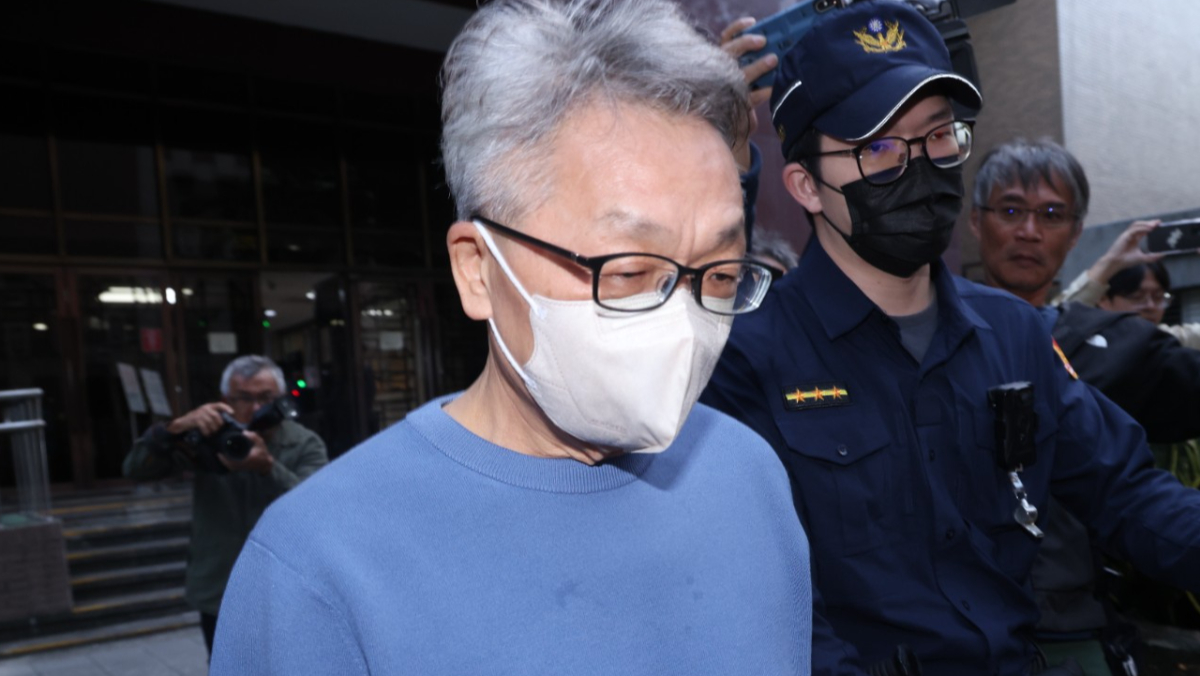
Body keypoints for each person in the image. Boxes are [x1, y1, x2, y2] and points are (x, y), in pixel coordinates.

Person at [210, 1, 811, 674]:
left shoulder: (750, 476)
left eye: (721, 275)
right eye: (629, 272)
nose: (682, 320)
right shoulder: (318, 571)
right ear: (478, 270)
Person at [700, 2, 1200, 674]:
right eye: (879, 147)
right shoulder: (747, 357)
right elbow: (764, 603)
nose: (920, 166)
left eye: (939, 137)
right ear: (806, 186)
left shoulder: (1014, 334)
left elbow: (1131, 496)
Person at [971, 139, 1200, 673]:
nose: (1029, 231)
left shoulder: (1111, 345)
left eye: (1052, 215)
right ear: (976, 221)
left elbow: (1135, 496)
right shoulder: (929, 335)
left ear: (1075, 232)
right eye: (1011, 211)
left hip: (1078, 630)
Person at [122, 354, 328, 655]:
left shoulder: (305, 443)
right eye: (243, 398)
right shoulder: (207, 436)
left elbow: (315, 509)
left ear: (281, 399)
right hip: (220, 587)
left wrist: (268, 468)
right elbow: (136, 469)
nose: (256, 408)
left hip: (286, 589)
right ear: (225, 401)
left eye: (266, 398)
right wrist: (173, 430)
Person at [1055, 219, 1200, 348]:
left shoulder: (1167, 341)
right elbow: (1056, 324)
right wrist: (1110, 262)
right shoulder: (1087, 344)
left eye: (1158, 297)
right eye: (1137, 297)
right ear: (1103, 299)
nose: (1150, 306)